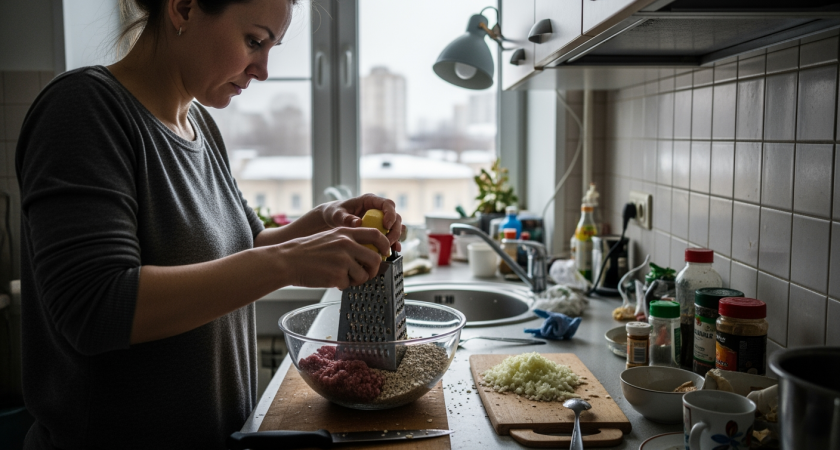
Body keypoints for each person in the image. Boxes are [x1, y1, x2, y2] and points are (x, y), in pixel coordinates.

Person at [15, 0, 403, 448]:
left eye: (271, 47)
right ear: (182, 9)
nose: (263, 70)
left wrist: (327, 221)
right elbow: (95, 307)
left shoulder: (199, 124)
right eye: (254, 41)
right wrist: (288, 263)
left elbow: (251, 243)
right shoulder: (83, 110)